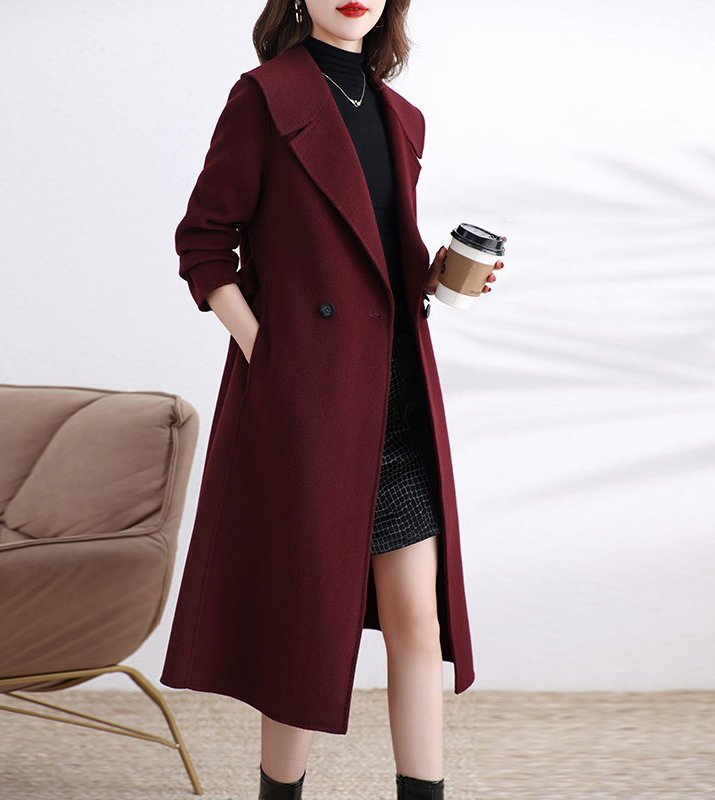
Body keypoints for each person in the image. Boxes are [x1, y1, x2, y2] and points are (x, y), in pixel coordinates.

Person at [161, 2, 504, 798]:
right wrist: (269, 352)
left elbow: (372, 260)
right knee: (308, 625)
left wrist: (437, 275)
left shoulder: (402, 117)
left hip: (399, 400)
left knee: (417, 618)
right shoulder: (264, 97)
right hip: (312, 408)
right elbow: (204, 242)